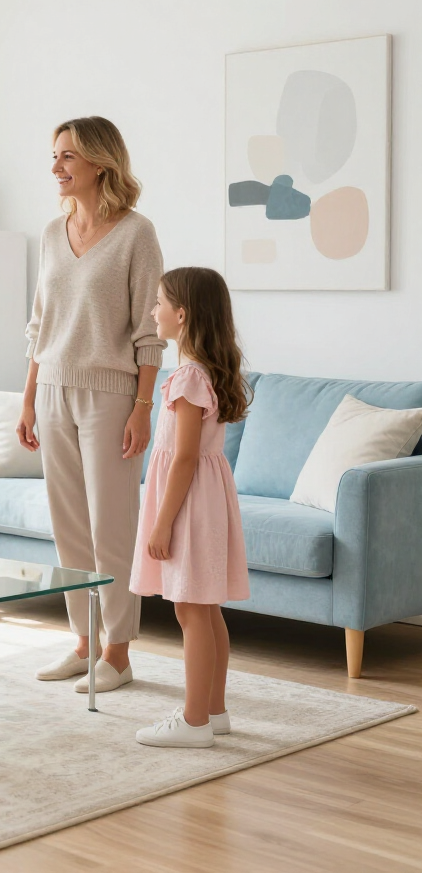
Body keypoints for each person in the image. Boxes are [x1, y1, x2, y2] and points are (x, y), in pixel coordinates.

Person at [18, 116, 165, 694]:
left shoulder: (137, 234)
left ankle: (119, 653)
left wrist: (143, 406)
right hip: (52, 386)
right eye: (54, 157)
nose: (56, 168)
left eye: (67, 158)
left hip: (112, 392)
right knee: (69, 528)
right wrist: (27, 401)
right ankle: (83, 644)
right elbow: (39, 326)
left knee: (113, 526)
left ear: (100, 163)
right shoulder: (54, 233)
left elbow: (149, 331)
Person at [130, 267, 251, 747]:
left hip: (188, 505)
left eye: (159, 303)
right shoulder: (209, 373)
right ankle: (214, 711)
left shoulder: (186, 378)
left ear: (181, 315)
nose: (153, 311)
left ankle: (194, 720)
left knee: (189, 612)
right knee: (206, 608)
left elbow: (182, 458)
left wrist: (161, 524)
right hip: (208, 500)